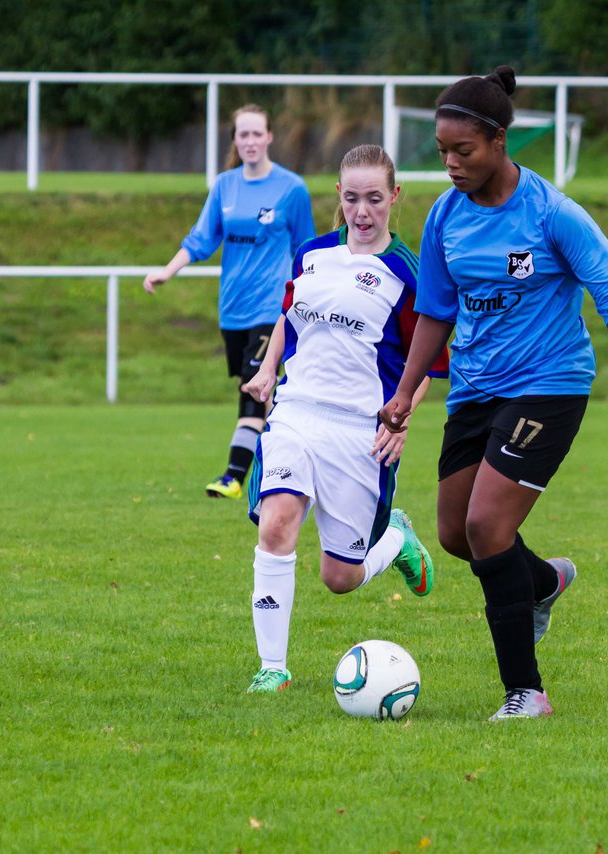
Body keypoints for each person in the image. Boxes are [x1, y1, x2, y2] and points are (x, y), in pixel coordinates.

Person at [379, 66, 608, 720]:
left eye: (464, 151)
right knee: (456, 533)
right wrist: (404, 392)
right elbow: (435, 312)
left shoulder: (552, 213)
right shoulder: (446, 217)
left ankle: (525, 692)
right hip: (476, 391)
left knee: (488, 525)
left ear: (501, 141)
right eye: (443, 151)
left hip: (549, 386)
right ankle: (543, 581)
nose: (450, 164)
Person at [238, 144, 448, 694]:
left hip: (361, 428)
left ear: (394, 198)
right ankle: (272, 667)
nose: (362, 211)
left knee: (340, 578)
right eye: (352, 198)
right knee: (277, 521)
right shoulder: (310, 255)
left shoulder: (408, 272)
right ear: (339, 195)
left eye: (374, 199)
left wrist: (400, 419)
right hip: (297, 412)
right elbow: (290, 315)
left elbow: (429, 363)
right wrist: (267, 371)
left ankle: (394, 542)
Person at [143, 104, 316, 499]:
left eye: (257, 134)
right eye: (243, 135)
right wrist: (167, 272)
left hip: (273, 308)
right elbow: (200, 239)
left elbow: (305, 249)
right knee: (264, 391)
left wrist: (306, 299)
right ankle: (289, 467)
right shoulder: (225, 185)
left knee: (253, 387)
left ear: (270, 137)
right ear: (235, 140)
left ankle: (233, 476)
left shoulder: (292, 189)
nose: (250, 141)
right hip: (232, 309)